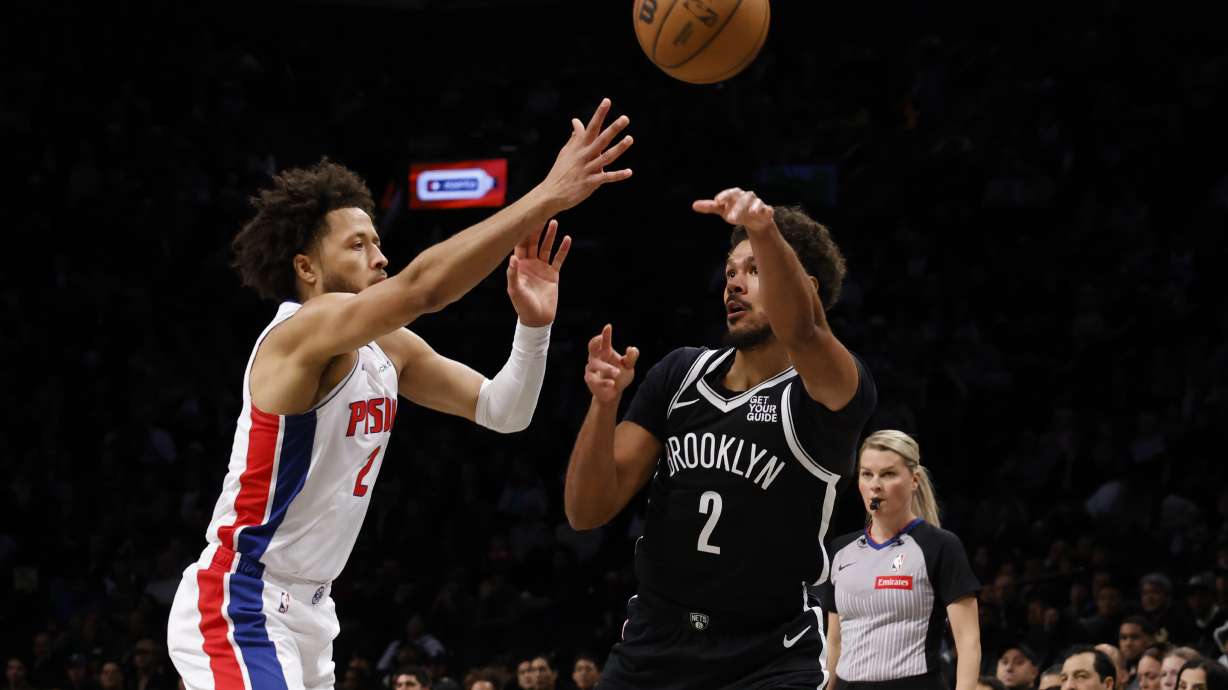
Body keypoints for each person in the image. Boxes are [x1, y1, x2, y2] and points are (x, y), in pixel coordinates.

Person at [166, 98, 635, 690]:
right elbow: (424, 289)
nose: (380, 256)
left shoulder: (390, 349)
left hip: (312, 612)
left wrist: (534, 326)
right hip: (244, 598)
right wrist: (545, 195)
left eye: (378, 240)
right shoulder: (299, 334)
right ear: (308, 269)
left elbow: (504, 411)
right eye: (357, 245)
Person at [564, 191, 877, 689]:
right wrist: (603, 405)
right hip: (657, 640)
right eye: (731, 271)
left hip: (768, 654)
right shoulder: (679, 374)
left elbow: (805, 330)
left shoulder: (831, 390)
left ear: (805, 287)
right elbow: (585, 511)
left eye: (754, 270)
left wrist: (763, 227)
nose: (734, 283)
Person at [819, 430, 981, 690]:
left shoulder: (940, 546)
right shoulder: (840, 551)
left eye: (888, 474)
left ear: (914, 480)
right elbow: (835, 641)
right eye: (866, 474)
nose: (875, 484)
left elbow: (968, 640)